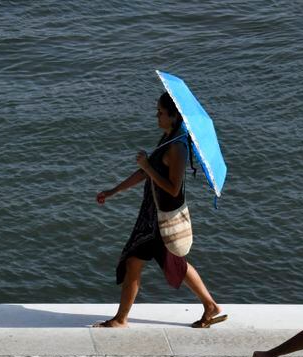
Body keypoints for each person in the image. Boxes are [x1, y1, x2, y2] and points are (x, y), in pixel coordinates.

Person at [93, 92, 226, 329]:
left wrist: (146, 165)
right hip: (152, 214)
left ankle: (121, 319)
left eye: (160, 112)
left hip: (160, 218)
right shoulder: (168, 138)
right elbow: (145, 173)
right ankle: (210, 306)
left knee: (134, 260)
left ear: (174, 116)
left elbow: (173, 189)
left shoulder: (177, 147)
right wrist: (113, 191)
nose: (157, 116)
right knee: (171, 262)